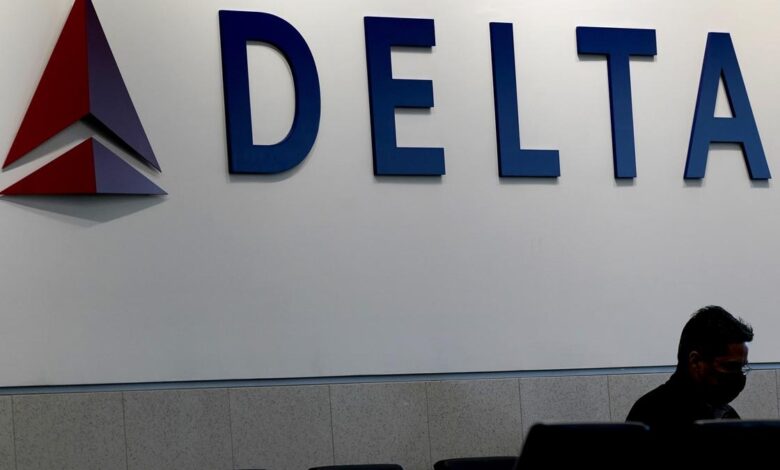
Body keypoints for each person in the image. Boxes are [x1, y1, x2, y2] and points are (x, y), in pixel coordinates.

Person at [626, 305, 753, 432]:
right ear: (695, 361)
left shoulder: (725, 416)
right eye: (731, 366)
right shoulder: (651, 415)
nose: (738, 375)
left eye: (742, 367)